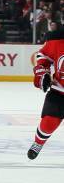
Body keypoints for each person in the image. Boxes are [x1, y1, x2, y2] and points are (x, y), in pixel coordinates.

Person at [27, 29, 64, 160]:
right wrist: (43, 72)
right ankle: (38, 143)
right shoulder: (57, 41)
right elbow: (43, 56)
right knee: (49, 121)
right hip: (60, 91)